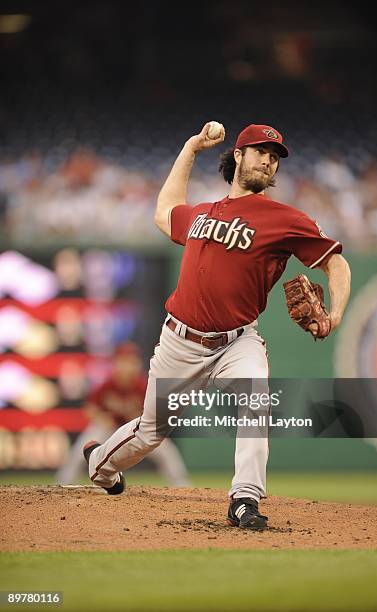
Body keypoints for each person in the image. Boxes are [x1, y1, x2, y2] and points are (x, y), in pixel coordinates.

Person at [84, 122, 351, 530]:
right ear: (238, 156)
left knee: (256, 402)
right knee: (150, 433)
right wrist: (190, 149)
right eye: (260, 150)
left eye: (275, 156)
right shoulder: (203, 213)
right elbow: (164, 211)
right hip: (179, 342)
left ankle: (244, 499)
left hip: (237, 341)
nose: (268, 159)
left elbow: (336, 261)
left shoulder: (285, 219)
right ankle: (101, 465)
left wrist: (335, 313)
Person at [57, 341, 190, 487]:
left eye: (131, 362)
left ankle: (182, 487)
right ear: (116, 364)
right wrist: (102, 417)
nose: (127, 366)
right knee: (80, 451)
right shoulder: (108, 384)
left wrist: (141, 418)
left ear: (137, 364)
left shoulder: (142, 386)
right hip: (108, 428)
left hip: (136, 429)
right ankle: (63, 485)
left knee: (167, 452)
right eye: (124, 362)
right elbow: (90, 408)